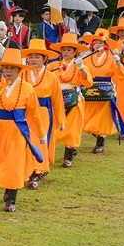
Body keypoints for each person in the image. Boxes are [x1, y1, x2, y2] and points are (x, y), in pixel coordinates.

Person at [0, 48, 48, 213]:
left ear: (19, 70)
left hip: (18, 132)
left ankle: (11, 198)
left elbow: (35, 113)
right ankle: (7, 189)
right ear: (2, 68)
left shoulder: (27, 88)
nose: (9, 71)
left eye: (13, 68)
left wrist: (41, 133)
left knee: (14, 164)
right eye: (6, 67)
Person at [23, 39, 64, 186]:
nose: (33, 60)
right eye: (31, 56)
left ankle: (39, 170)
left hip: (43, 112)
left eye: (37, 57)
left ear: (45, 59)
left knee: (40, 139)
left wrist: (61, 120)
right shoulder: (22, 74)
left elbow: (57, 99)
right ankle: (26, 168)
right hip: (25, 113)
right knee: (25, 140)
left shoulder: (52, 77)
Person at [48, 33, 92, 169]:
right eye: (64, 49)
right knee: (55, 126)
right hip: (56, 100)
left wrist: (81, 68)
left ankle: (68, 155)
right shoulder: (54, 65)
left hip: (73, 100)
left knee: (72, 128)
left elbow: (88, 81)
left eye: (69, 50)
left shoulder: (80, 65)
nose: (66, 52)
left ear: (75, 52)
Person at [80, 29, 124, 154]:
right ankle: (96, 134)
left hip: (105, 90)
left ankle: (100, 140)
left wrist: (118, 64)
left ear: (106, 45)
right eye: (96, 42)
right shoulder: (87, 58)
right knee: (86, 117)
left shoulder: (111, 58)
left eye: (101, 42)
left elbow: (121, 75)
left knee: (103, 117)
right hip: (90, 89)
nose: (98, 45)